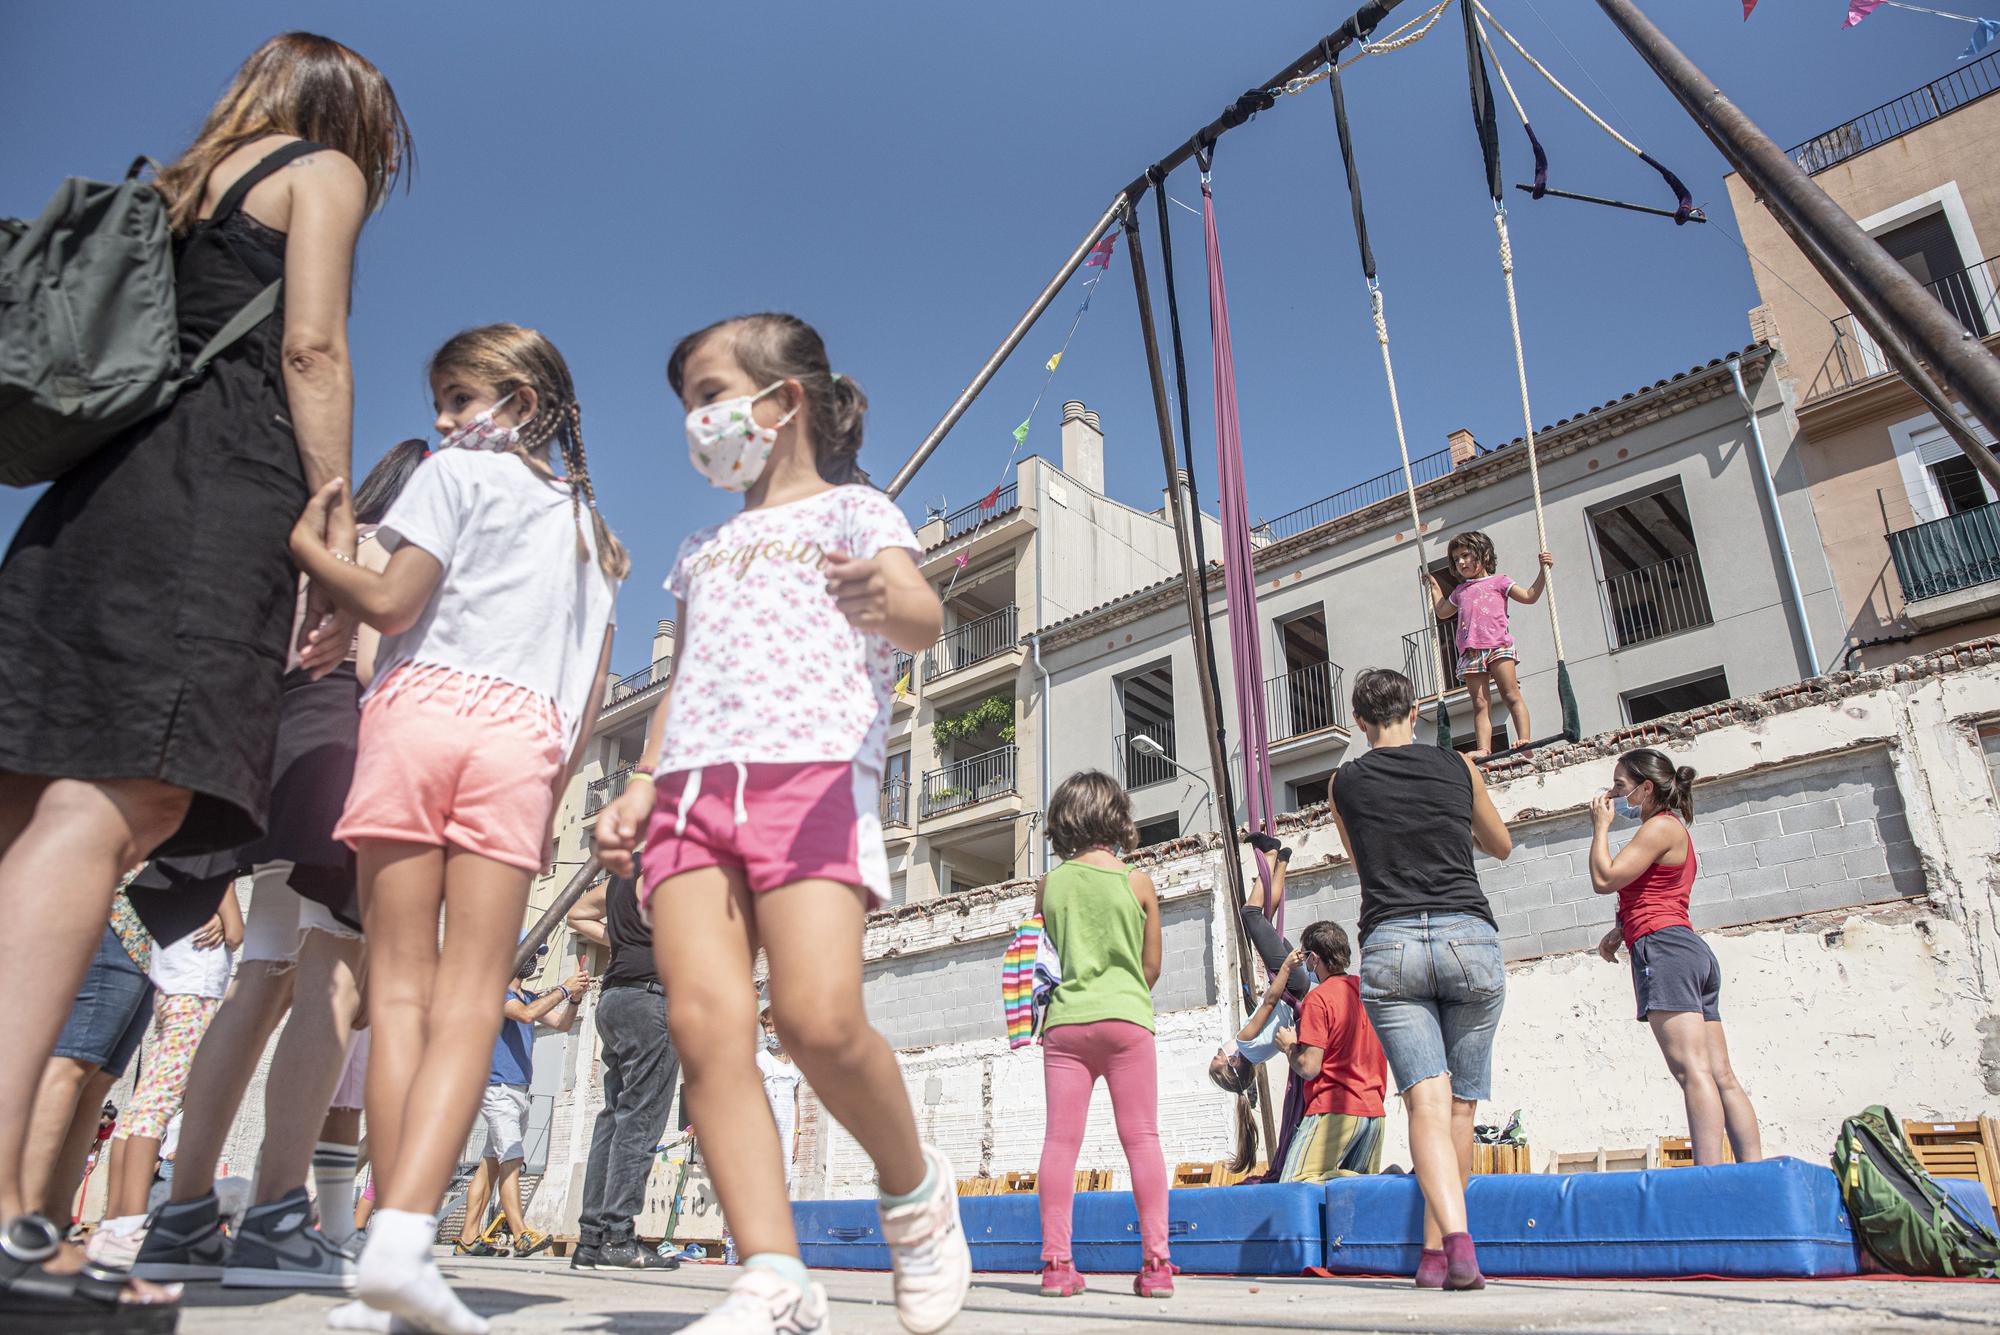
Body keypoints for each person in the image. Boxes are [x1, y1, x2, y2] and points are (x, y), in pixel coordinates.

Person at [0, 32, 411, 1326]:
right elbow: (311, 351)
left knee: (29, 821)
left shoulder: (175, 192)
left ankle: (23, 1200)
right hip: (201, 515)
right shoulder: (318, 171)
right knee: (114, 808)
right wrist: (328, 537)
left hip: (89, 509)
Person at [595, 312, 966, 1335]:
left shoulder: (855, 511)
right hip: (690, 799)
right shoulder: (704, 549)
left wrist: (877, 595)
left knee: (816, 1022)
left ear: (783, 400)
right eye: (688, 406)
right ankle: (771, 1274)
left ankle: (915, 1195)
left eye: (710, 395)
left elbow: (922, 617)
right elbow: (686, 678)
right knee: (703, 1028)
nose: (698, 422)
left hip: (808, 781)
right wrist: (640, 781)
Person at [291, 322, 623, 1335]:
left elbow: (394, 603)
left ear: (518, 404)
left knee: (397, 992)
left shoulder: (447, 474)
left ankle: (385, 1238)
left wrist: (312, 550)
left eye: (458, 395)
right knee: (474, 996)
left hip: (419, 715)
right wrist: (544, 779)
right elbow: (589, 692)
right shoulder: (591, 534)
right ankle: (406, 1250)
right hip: (522, 740)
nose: (440, 417)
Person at [137, 439, 427, 1293]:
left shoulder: (326, 541)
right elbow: (376, 666)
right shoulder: (400, 553)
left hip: (277, 753)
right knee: (332, 976)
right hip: (346, 749)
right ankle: (274, 1213)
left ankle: (183, 1209)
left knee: (258, 977)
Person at [1328, 668, 1514, 1291]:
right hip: (1469, 936)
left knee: (1425, 1105)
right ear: (1413, 710)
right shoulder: (1460, 767)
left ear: (1358, 722)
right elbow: (1501, 844)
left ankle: (1447, 1249)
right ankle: (1444, 1252)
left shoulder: (1343, 782)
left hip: (1393, 941)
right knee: (1461, 1107)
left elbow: (1362, 860)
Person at [1032, 772, 1172, 1301]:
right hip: (1127, 1020)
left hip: (1065, 1024)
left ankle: (1056, 1265)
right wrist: (1122, 989)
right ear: (1116, 817)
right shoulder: (1137, 882)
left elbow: (1040, 962)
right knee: (1142, 1139)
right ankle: (1157, 1264)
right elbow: (1151, 967)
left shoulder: (1048, 886)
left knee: (1059, 1142)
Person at [1589, 749, 1762, 1167]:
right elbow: (1656, 891)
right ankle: (1754, 1170)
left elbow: (1605, 878)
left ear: (1646, 788)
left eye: (1620, 787)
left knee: (1692, 1072)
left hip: (1665, 950)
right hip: (1686, 947)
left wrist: (1599, 828)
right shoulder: (1674, 830)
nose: (1614, 795)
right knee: (1719, 1073)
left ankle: (1708, 1174)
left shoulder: (1658, 828)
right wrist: (1620, 930)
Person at [90, 889, 241, 1269]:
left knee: (142, 1106)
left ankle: (114, 1224)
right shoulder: (216, 869)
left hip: (171, 986)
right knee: (156, 1108)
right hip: (197, 991)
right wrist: (225, 917)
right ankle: (128, 1227)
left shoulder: (176, 876)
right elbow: (237, 932)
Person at [565, 871, 681, 1273]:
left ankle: (591, 1239)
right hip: (651, 1000)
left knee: (614, 1118)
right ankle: (618, 1236)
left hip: (614, 998)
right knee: (640, 1118)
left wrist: (623, 941)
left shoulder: (624, 874)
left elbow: (577, 914)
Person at [453, 951, 589, 1260]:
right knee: (512, 1157)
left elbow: (563, 1023)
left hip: (517, 1090)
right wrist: (564, 989)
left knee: (490, 1165)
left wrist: (576, 999)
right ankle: (520, 1232)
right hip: (498, 1088)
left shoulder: (526, 996)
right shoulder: (496, 993)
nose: (535, 960)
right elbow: (526, 1016)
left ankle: (469, 1236)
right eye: (531, 953)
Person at [1207, 834, 1310, 1174]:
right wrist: (1285, 969)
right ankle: (1268, 853)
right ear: (1233, 1062)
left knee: (1265, 917)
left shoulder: (1260, 1055)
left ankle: (1280, 860)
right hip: (1290, 982)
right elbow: (1270, 1000)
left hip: (1296, 986)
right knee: (1251, 914)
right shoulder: (1248, 1042)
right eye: (1220, 1056)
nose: (1221, 1049)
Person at [1272, 921, 1387, 1182]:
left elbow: (1310, 1067)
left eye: (1305, 958)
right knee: (1357, 1201)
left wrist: (1289, 1046)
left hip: (1335, 1109)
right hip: (1373, 1114)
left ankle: (1372, 1179)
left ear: (1314, 958)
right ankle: (1368, 1180)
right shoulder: (1367, 993)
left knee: (1294, 1185)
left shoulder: (1319, 999)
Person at [1424, 531, 1553, 758]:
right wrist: (1434, 589)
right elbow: (1443, 611)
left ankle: (1525, 740)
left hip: (1498, 646)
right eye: (1456, 559)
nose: (1461, 562)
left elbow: (1529, 596)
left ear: (1483, 555)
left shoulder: (1500, 581)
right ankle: (1484, 748)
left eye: (1465, 555)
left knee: (1511, 694)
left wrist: (1543, 571)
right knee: (1480, 704)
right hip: (1472, 652)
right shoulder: (1460, 591)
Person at [757, 1004, 805, 1198]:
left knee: (784, 1182)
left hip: (785, 1134)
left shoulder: (795, 1066)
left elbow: (795, 1101)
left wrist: (796, 1135)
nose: (772, 1030)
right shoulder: (760, 1060)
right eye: (768, 1026)